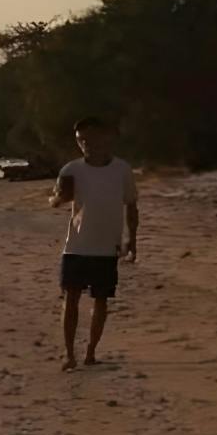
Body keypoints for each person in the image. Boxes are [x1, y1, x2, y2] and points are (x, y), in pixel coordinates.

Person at [49, 116, 139, 371]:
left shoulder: (122, 170)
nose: (87, 144)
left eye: (91, 138)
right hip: (76, 244)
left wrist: (132, 239)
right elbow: (60, 200)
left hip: (106, 246)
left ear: (106, 137)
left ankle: (90, 352)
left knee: (101, 299)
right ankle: (69, 354)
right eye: (81, 140)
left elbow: (131, 205)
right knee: (71, 298)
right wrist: (55, 199)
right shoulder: (71, 170)